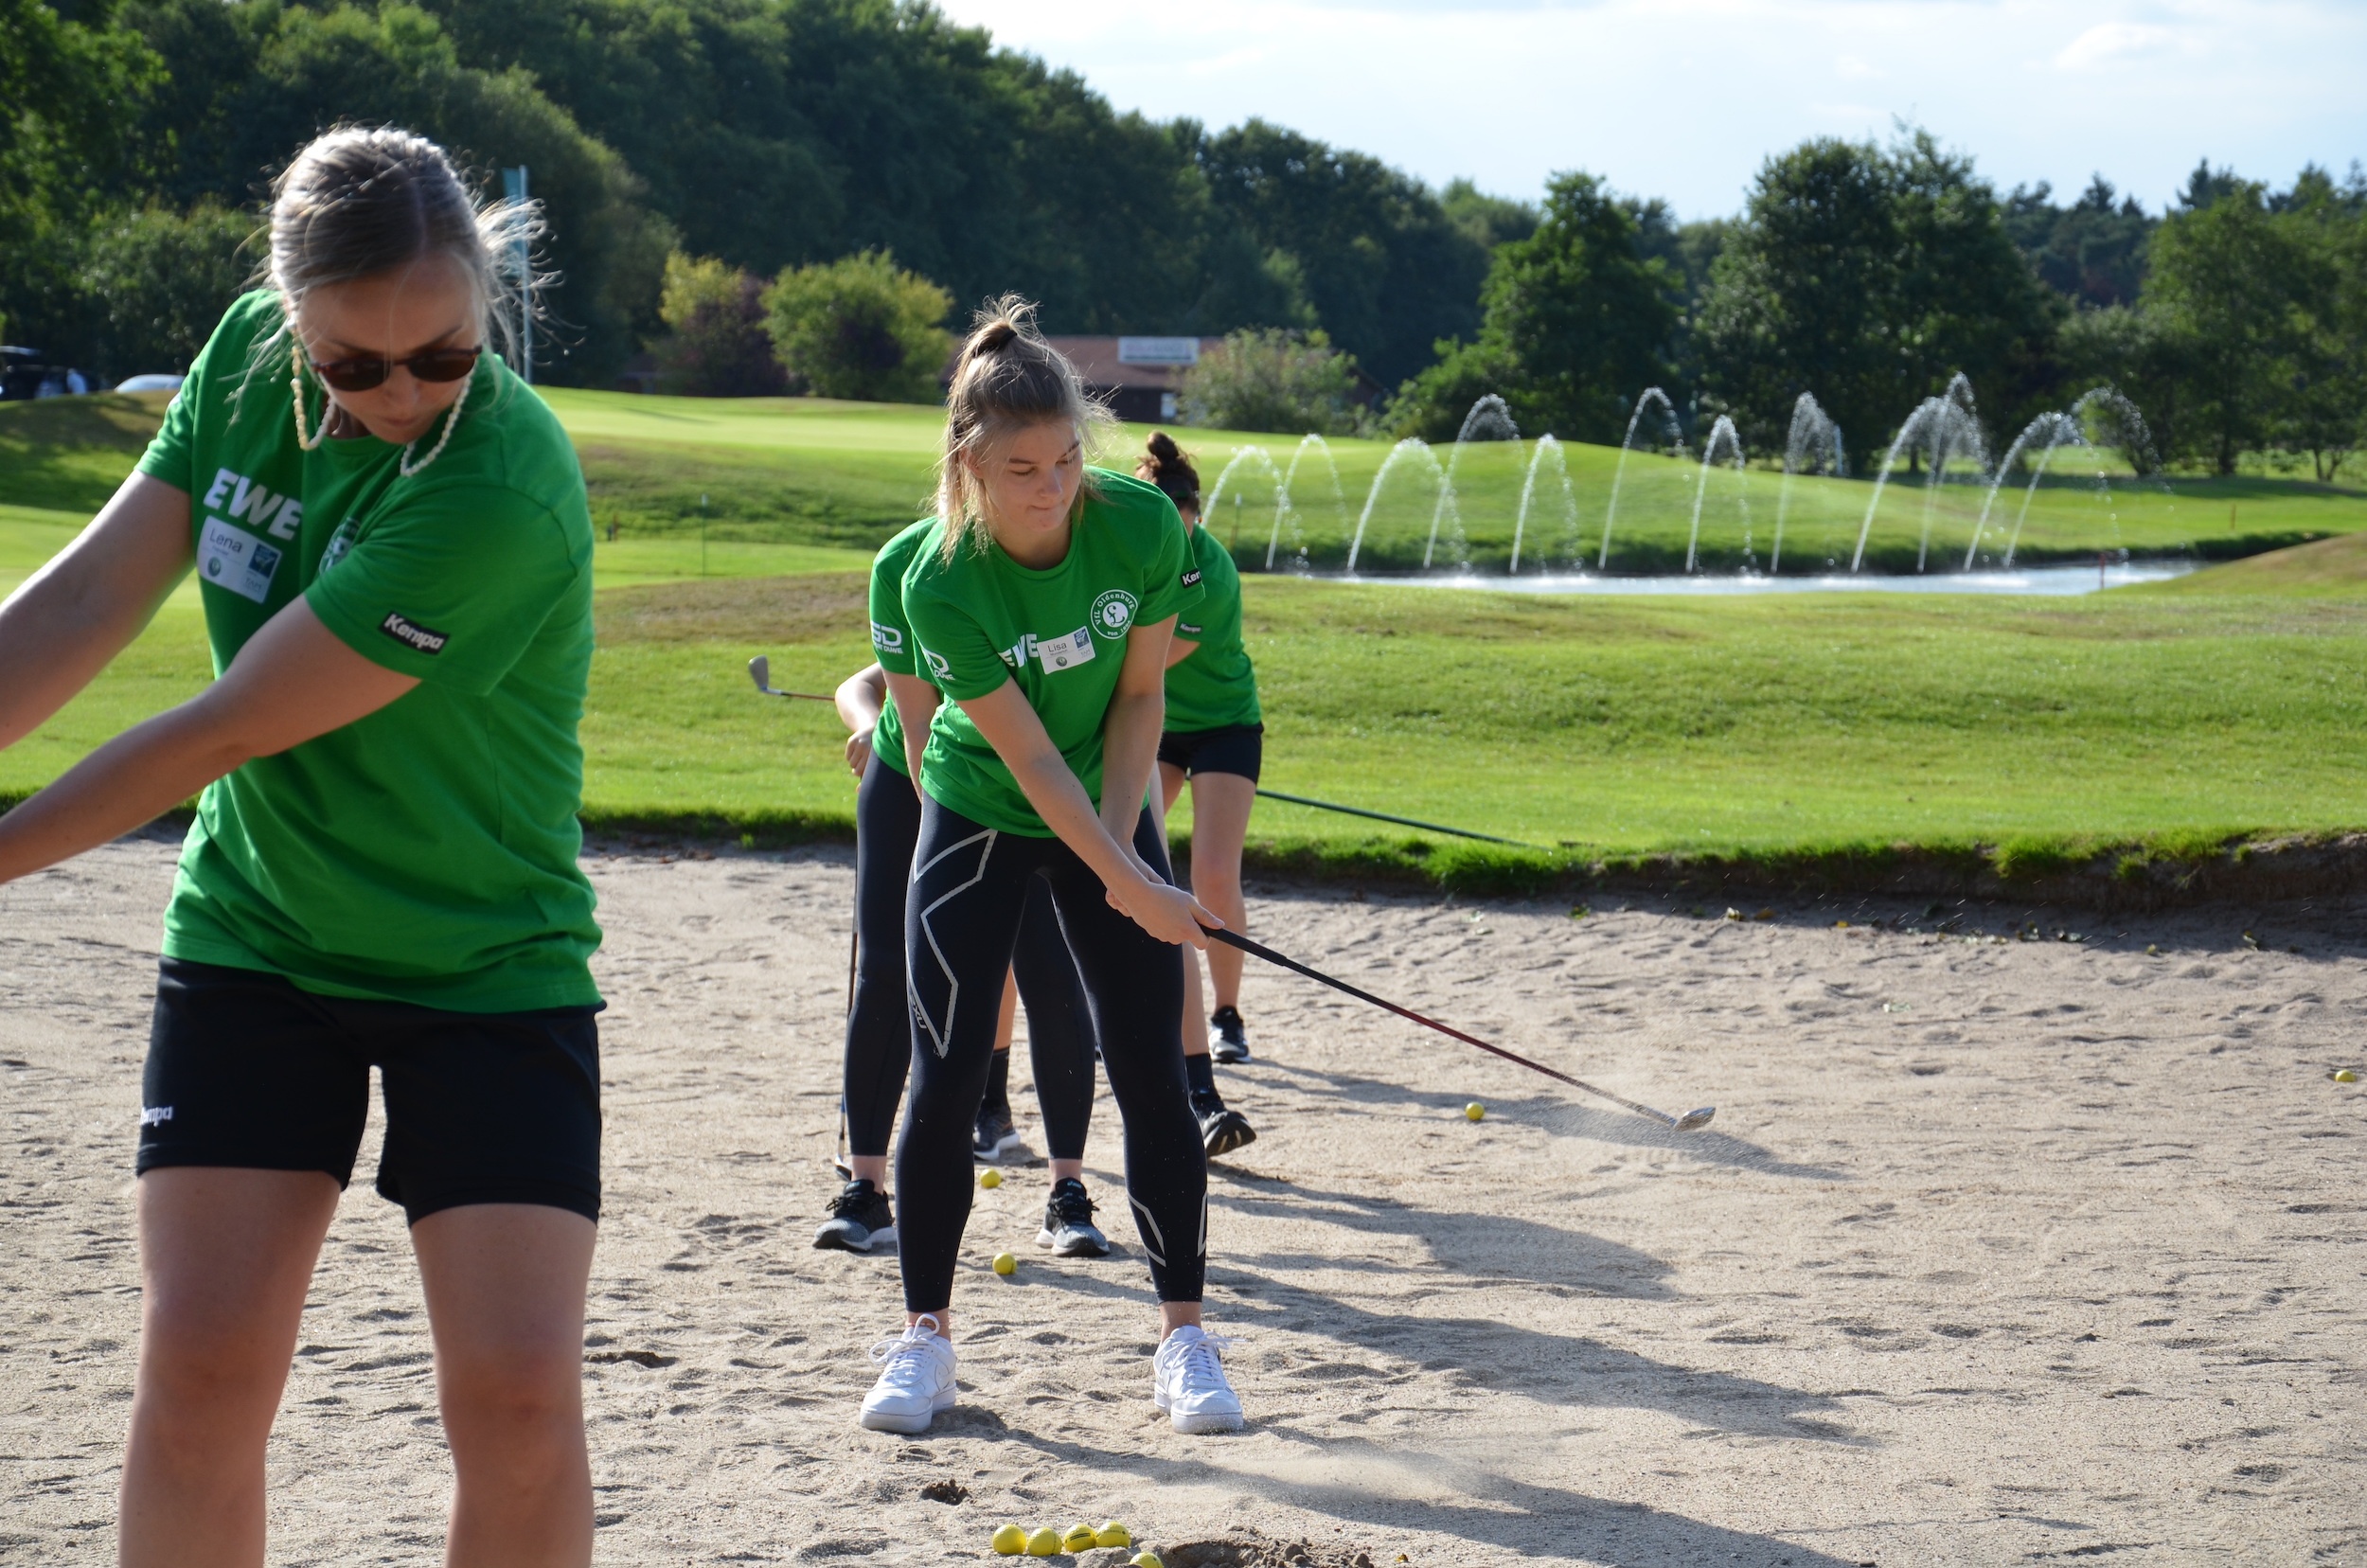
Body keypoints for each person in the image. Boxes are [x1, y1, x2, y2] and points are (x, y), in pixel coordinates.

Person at [0, 128, 603, 1565]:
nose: (402, 395)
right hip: (257, 937)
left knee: (518, 1400)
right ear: (290, 322)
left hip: (486, 964)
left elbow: (223, 727)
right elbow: (86, 603)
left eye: (443, 355)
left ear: (489, 300)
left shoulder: (497, 484)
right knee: (202, 1371)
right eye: (353, 365)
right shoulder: (238, 363)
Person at [856, 298, 1244, 1437]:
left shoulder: (1142, 526)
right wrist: (1121, 875)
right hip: (981, 807)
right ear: (968, 467)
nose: (1053, 487)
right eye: (1022, 468)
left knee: (1152, 1072)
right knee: (944, 1073)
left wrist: (1124, 860)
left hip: (1104, 795)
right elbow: (1024, 758)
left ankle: (1185, 1340)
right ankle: (925, 1340)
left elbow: (1139, 698)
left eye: (1068, 459)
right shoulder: (936, 577)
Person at [818, 650, 1106, 1257]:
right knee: (885, 973)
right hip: (907, 771)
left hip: (1018, 784)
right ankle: (866, 1190)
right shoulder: (914, 588)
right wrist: (868, 725)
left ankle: (1068, 1193)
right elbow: (862, 684)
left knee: (1050, 974)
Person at [1139, 433, 1263, 1155]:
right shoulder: (1139, 554)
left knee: (1213, 873)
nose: (1176, 534)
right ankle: (1144, 1011)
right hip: (1156, 728)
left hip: (1224, 725)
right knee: (1140, 861)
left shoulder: (1209, 572)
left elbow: (1157, 656)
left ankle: (1227, 1016)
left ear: (1196, 514)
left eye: (1184, 522)